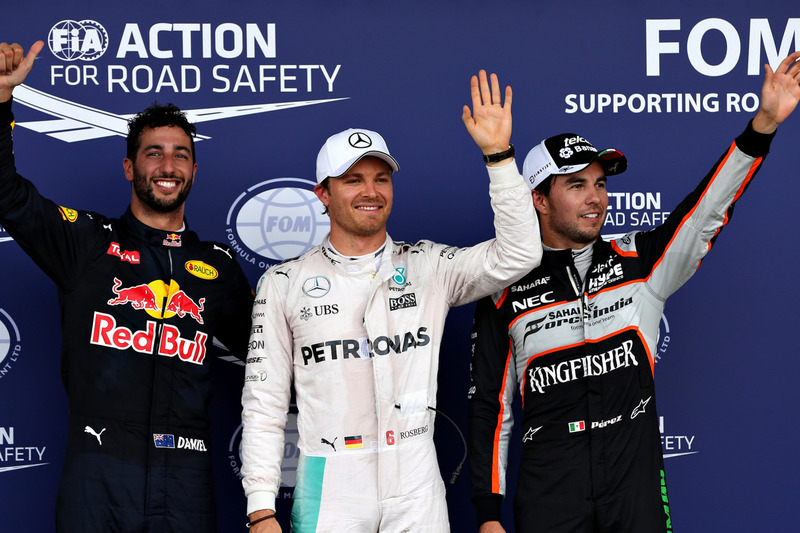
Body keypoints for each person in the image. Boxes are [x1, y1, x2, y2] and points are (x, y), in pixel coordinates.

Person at [467, 51, 800, 533]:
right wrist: (488, 514)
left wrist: (762, 126)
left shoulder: (640, 261)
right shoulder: (502, 287)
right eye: (576, 185)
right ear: (538, 199)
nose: (596, 198)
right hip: (550, 487)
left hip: (634, 480)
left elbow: (705, 210)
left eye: (600, 184)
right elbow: (489, 408)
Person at [240, 70, 542, 532]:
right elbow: (264, 403)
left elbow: (520, 253)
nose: (371, 191)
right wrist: (260, 508)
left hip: (416, 476)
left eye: (381, 178)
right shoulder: (284, 282)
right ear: (323, 193)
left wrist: (498, 158)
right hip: (331, 480)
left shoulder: (428, 265)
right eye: (353, 179)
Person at [0, 41, 254, 532]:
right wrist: (0, 102)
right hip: (98, 475)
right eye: (153, 153)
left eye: (181, 155)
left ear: (194, 171)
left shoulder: (217, 266)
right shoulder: (86, 243)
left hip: (186, 478)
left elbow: (273, 360)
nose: (167, 165)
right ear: (129, 167)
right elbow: (7, 196)